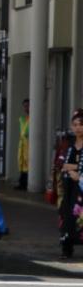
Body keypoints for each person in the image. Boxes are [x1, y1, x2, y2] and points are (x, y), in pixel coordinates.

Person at [58, 110, 83, 258]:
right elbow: (61, 163)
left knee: (80, 216)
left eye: (81, 125)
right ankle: (66, 249)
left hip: (81, 186)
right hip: (69, 186)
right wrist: (75, 168)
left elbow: (71, 165)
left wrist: (75, 169)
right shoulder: (68, 143)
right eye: (75, 125)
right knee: (67, 216)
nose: (78, 128)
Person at [16, 99, 30, 191]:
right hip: (23, 145)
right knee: (22, 163)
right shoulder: (24, 119)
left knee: (27, 164)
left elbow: (25, 133)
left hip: (28, 145)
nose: (26, 108)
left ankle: (24, 183)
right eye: (24, 106)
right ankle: (22, 182)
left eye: (27, 106)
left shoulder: (29, 119)